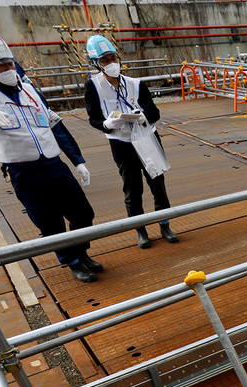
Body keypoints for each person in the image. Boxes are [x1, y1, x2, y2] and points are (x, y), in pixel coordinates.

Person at [0, 26, 102, 283]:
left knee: (83, 213)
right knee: (50, 223)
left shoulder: (29, 90)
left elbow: (55, 126)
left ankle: (81, 251)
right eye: (0, 65)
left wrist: (78, 160)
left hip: (54, 164)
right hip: (24, 172)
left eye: (10, 63)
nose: (8, 69)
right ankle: (73, 261)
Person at [83, 34, 178, 249]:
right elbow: (94, 118)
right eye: (105, 60)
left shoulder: (136, 84)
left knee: (158, 185)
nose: (112, 63)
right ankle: (141, 230)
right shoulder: (93, 87)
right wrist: (106, 124)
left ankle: (165, 225)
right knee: (132, 191)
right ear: (96, 64)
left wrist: (144, 117)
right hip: (122, 143)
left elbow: (154, 112)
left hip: (147, 139)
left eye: (113, 58)